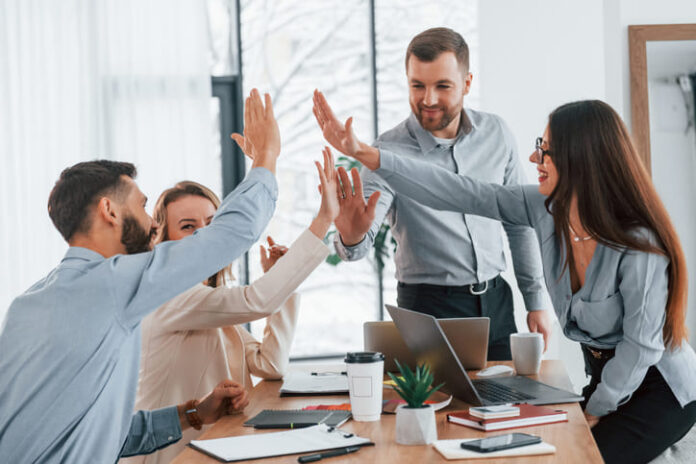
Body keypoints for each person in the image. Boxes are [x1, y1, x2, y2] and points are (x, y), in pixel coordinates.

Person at [329, 98, 696, 464]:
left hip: (659, 390)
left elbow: (641, 349)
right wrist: (368, 154)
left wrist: (595, 409)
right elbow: (460, 192)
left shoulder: (640, 244)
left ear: (579, 158)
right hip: (607, 383)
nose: (534, 159)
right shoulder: (544, 208)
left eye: (545, 149)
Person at [0, 89, 280, 463]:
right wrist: (267, 157)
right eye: (144, 206)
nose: (153, 224)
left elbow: (100, 432)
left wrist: (194, 413)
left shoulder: (28, 305)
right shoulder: (111, 284)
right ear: (110, 211)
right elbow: (231, 234)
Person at [312, 27, 551, 360]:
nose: (428, 99)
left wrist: (535, 301)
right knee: (434, 410)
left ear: (467, 83)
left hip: (497, 302)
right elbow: (356, 247)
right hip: (428, 308)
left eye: (442, 86)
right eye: (417, 85)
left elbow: (518, 221)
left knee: (505, 405)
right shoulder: (385, 152)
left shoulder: (496, 134)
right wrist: (351, 237)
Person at [124, 146, 342, 464]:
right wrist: (324, 219)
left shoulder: (205, 301)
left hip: (210, 445)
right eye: (188, 227)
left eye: (213, 223)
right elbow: (257, 301)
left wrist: (279, 281)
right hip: (165, 456)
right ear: (165, 239)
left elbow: (270, 365)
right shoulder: (171, 295)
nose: (205, 235)